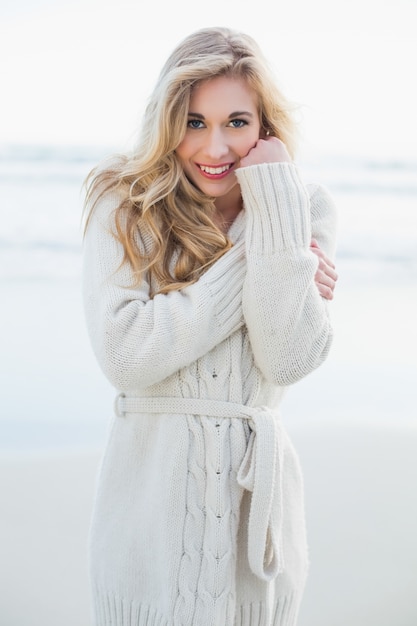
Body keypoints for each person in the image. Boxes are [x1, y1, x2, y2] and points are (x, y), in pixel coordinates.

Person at [82, 26, 338, 626]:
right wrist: (262, 253)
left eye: (237, 122)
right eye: (194, 122)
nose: (215, 147)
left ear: (265, 126)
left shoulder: (304, 205)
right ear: (168, 123)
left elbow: (289, 358)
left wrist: (275, 204)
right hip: (147, 532)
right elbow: (125, 355)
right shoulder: (124, 206)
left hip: (259, 538)